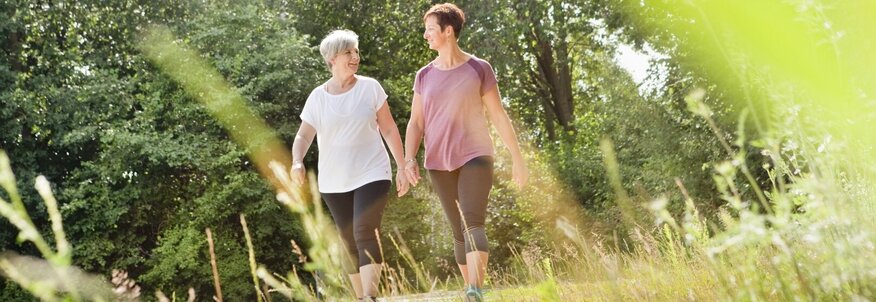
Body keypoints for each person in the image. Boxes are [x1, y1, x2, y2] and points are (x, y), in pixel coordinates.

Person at [403, 3, 529, 301]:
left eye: (430, 29)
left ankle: (475, 289)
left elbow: (498, 115)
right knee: (458, 230)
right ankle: (471, 290)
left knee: (473, 221)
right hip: (437, 161)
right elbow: (416, 122)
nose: (426, 35)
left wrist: (517, 157)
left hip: (476, 155)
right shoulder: (424, 75)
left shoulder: (478, 68)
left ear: (448, 31)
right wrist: (408, 159)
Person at [291, 29, 408, 302]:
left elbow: (389, 130)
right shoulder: (318, 98)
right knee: (347, 240)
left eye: (356, 51)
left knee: (364, 231)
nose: (355, 57)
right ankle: (360, 298)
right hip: (334, 181)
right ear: (332, 59)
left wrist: (402, 166)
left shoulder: (370, 87)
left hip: (372, 173)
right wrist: (297, 161)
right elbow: (303, 135)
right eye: (348, 52)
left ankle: (370, 296)